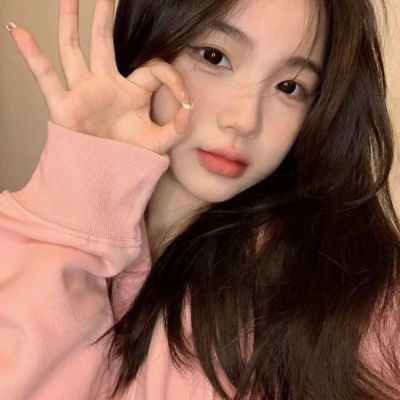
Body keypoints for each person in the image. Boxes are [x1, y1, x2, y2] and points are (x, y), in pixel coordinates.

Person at [2, 0, 400, 398]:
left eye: (289, 87)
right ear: (148, 37)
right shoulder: (37, 237)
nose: (244, 120)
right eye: (214, 57)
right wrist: (75, 207)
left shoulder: (357, 294)